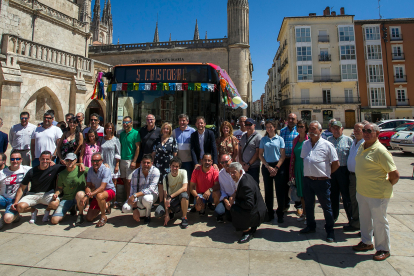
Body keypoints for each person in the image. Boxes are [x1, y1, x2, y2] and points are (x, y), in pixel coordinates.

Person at [352, 123, 399, 261]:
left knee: (379, 221)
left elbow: (395, 174)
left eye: (369, 131)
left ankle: (383, 248)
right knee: (365, 218)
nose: (365, 133)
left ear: (377, 134)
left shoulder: (381, 151)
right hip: (362, 191)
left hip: (377, 193)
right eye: (364, 130)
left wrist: (384, 185)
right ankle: (366, 242)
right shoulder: (363, 145)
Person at [299, 121, 339, 243]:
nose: (311, 131)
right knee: (309, 205)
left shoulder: (327, 145)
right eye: (310, 128)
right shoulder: (305, 144)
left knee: (326, 207)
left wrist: (326, 174)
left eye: (314, 129)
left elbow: (336, 163)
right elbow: (304, 159)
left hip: (322, 181)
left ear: (320, 131)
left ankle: (330, 230)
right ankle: (311, 226)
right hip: (308, 180)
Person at [12, 151, 68, 224]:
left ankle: (47, 211)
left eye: (47, 159)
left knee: (55, 204)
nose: (45, 161)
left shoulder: (55, 168)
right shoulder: (32, 171)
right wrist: (16, 202)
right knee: (20, 207)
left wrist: (80, 164)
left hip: (48, 194)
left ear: (50, 159)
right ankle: (33, 211)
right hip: (33, 194)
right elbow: (21, 188)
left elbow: (70, 166)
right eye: (43, 159)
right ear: (39, 159)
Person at [229, 162, 267, 243]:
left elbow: (249, 204)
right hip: (257, 209)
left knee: (234, 209)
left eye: (234, 172)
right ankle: (251, 226)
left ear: (240, 171)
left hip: (257, 213)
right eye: (230, 172)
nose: (232, 175)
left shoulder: (245, 184)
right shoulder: (246, 177)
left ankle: (247, 231)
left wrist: (234, 201)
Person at [49, 153, 89, 225]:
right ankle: (70, 208)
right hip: (67, 198)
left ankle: (80, 215)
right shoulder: (62, 174)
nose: (69, 162)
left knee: (80, 194)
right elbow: (59, 188)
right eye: (67, 160)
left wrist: (105, 165)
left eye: (71, 160)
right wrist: (56, 193)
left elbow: (95, 170)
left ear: (75, 160)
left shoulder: (81, 169)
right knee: (54, 220)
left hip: (79, 197)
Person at [259, 120, 286, 223]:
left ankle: (280, 213)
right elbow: (260, 154)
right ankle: (270, 213)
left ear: (274, 127)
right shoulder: (263, 140)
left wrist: (276, 168)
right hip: (267, 165)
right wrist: (267, 166)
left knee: (280, 191)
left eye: (271, 127)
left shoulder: (280, 139)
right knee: (268, 191)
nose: (269, 129)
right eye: (267, 127)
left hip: (278, 166)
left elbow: (282, 156)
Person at [327, 121, 353, 227]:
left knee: (346, 196)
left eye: (338, 128)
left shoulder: (349, 140)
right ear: (331, 130)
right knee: (333, 195)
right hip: (332, 171)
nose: (336, 130)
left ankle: (351, 218)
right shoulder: (328, 141)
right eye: (334, 128)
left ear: (342, 129)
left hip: (344, 171)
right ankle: (333, 217)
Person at [123, 154, 159, 224]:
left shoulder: (155, 171)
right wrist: (134, 208)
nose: (146, 164)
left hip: (151, 195)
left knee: (147, 199)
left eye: (148, 163)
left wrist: (135, 195)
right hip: (139, 196)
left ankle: (147, 215)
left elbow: (151, 189)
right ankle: (141, 212)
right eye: (144, 162)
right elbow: (133, 190)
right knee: (125, 208)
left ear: (152, 163)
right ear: (141, 163)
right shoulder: (135, 172)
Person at [82, 153, 116, 227]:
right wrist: (87, 192)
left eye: (97, 161)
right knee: (89, 218)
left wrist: (90, 195)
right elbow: (88, 184)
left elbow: (102, 188)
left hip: (109, 191)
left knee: (99, 195)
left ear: (101, 161)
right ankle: (105, 205)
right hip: (97, 194)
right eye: (93, 161)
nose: (94, 163)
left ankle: (103, 216)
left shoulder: (106, 170)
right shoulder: (90, 170)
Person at [154, 157, 189, 228]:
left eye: (176, 166)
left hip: (178, 197)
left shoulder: (183, 172)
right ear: (170, 166)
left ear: (179, 167)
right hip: (170, 201)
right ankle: (170, 213)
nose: (174, 168)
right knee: (158, 213)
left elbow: (184, 188)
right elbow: (165, 196)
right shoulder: (166, 178)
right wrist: (166, 214)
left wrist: (171, 196)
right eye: (173, 166)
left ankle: (184, 217)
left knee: (184, 195)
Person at [0, 151, 31, 228]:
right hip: (3, 198)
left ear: (21, 160)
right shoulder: (2, 172)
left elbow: (41, 169)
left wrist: (50, 163)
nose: (15, 161)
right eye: (12, 159)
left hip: (15, 200)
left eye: (18, 159)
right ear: (9, 160)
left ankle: (16, 216)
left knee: (8, 219)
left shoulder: (26, 169)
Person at [346, 122, 365, 231]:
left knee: (363, 202)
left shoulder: (365, 143)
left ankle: (365, 226)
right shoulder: (354, 142)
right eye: (355, 129)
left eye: (359, 129)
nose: (356, 131)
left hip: (361, 177)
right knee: (354, 200)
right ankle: (356, 223)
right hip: (352, 176)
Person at [288, 120, 309, 222]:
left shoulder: (309, 139)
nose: (299, 128)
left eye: (302, 126)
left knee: (308, 194)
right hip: (297, 168)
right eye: (298, 127)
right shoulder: (296, 140)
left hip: (307, 169)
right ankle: (304, 214)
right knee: (301, 193)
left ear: (306, 128)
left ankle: (309, 215)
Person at [280, 113, 300, 215]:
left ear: (296, 120)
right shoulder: (282, 131)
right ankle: (285, 204)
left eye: (293, 119)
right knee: (284, 183)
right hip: (285, 160)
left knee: (296, 183)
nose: (291, 120)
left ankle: (298, 205)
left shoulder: (299, 130)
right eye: (289, 118)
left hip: (295, 161)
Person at [152, 122, 178, 202]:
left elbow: (175, 155)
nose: (165, 130)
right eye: (164, 128)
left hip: (168, 165)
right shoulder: (157, 140)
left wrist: (174, 166)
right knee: (160, 184)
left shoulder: (172, 140)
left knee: (167, 184)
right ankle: (161, 202)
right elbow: (153, 153)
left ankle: (167, 202)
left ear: (169, 130)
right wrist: (152, 163)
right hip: (158, 164)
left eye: (167, 129)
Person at [119, 116, 141, 199]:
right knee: (124, 180)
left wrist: (134, 161)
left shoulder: (136, 133)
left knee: (129, 181)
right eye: (124, 122)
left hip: (130, 160)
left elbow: (138, 147)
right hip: (122, 160)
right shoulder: (121, 134)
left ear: (131, 123)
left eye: (127, 122)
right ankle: (127, 198)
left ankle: (130, 200)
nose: (125, 124)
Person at [101, 122, 121, 204]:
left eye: (110, 128)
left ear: (113, 130)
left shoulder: (116, 140)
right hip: (103, 163)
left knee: (113, 183)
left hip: (112, 163)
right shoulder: (102, 139)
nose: (109, 130)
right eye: (107, 128)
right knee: (103, 183)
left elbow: (118, 153)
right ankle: (105, 200)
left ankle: (114, 200)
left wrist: (117, 165)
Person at [172, 114, 196, 182]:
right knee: (178, 179)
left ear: (187, 121)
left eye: (183, 120)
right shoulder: (174, 131)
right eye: (180, 121)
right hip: (178, 161)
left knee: (188, 179)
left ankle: (188, 193)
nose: (181, 122)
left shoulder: (192, 131)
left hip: (189, 160)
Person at [239, 118, 262, 184]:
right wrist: (241, 162)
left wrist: (248, 164)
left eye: (250, 124)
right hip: (243, 166)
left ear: (254, 125)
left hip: (253, 166)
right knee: (245, 185)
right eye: (246, 125)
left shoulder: (258, 137)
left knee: (254, 185)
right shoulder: (243, 136)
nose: (248, 126)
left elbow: (257, 153)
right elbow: (240, 150)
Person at [215, 154, 237, 223]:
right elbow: (222, 190)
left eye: (226, 161)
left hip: (238, 196)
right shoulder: (221, 174)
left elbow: (242, 186)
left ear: (231, 160)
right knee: (218, 211)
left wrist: (233, 197)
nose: (224, 164)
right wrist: (225, 201)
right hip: (228, 197)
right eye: (222, 162)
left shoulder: (238, 170)